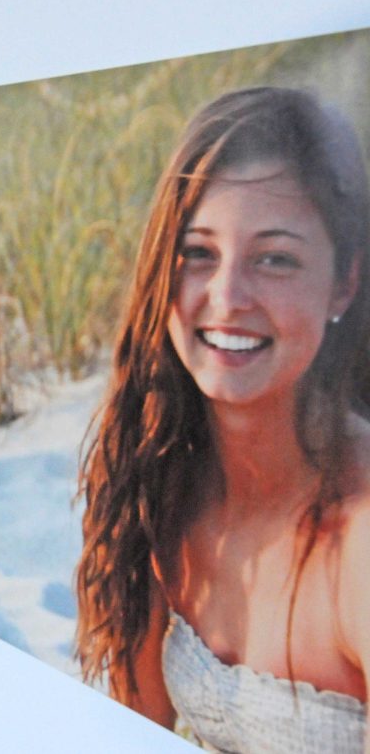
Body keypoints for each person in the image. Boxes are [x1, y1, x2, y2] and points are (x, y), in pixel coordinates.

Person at [74, 86, 370, 752]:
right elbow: (138, 728)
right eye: (199, 253)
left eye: (275, 259)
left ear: (343, 284)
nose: (227, 298)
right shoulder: (155, 475)